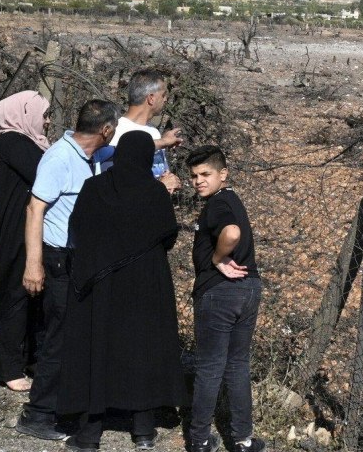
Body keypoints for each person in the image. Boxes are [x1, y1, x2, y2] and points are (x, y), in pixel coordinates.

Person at [58, 131, 187, 452]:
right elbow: (168, 236)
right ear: (145, 157)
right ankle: (143, 429)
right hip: (146, 284)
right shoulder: (154, 193)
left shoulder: (95, 187)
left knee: (98, 347)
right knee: (141, 348)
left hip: (102, 285)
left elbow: (78, 230)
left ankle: (90, 433)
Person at [15, 99, 119, 442]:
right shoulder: (60, 159)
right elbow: (34, 209)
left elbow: (116, 152)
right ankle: (38, 414)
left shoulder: (88, 156)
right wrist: (34, 265)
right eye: (113, 128)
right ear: (105, 129)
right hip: (56, 259)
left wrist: (157, 143)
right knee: (57, 338)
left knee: (68, 334)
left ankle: (61, 405)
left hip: (74, 259)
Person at [186, 145, 264, 452]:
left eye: (206, 174)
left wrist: (218, 258)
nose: (198, 181)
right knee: (237, 366)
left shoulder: (218, 204)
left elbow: (231, 234)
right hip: (249, 289)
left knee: (210, 367)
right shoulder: (233, 200)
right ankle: (243, 440)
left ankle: (200, 440)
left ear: (223, 174)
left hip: (219, 292)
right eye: (193, 176)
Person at [0, 91, 51, 392]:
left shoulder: (27, 142)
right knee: (16, 293)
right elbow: (43, 175)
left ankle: (29, 358)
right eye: (44, 114)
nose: (47, 121)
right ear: (24, 113)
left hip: (29, 226)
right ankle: (6, 367)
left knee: (33, 295)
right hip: (17, 229)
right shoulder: (13, 141)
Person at [107, 68, 182, 193]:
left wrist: (171, 181)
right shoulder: (117, 131)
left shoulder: (154, 132)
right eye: (163, 95)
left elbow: (158, 174)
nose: (165, 100)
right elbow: (121, 183)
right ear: (151, 98)